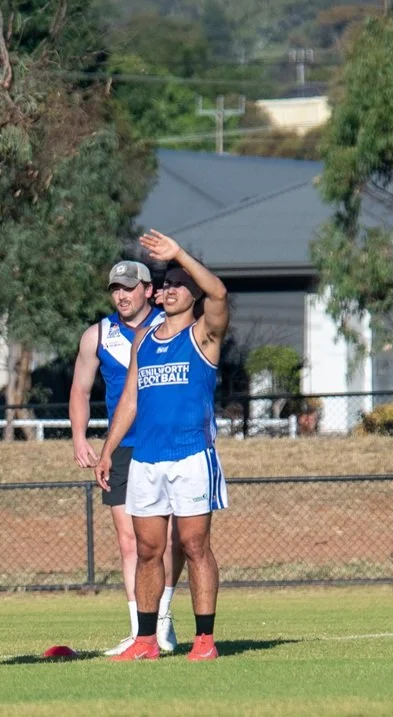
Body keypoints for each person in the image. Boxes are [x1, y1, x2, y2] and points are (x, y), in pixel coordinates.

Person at [94, 229, 230, 662]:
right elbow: (130, 400)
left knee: (194, 546)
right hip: (146, 459)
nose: (170, 290)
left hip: (191, 455)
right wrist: (108, 449)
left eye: (179, 284)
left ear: (193, 294)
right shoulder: (144, 340)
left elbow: (219, 292)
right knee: (148, 551)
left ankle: (204, 640)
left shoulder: (204, 335)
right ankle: (146, 640)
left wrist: (180, 255)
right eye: (166, 283)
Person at [69, 260, 185, 655]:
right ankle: (141, 631)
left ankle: (162, 615)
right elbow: (80, 389)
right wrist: (79, 437)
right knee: (130, 541)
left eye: (129, 287)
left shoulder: (171, 326)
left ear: (149, 290)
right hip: (122, 447)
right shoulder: (97, 335)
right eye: (116, 288)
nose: (121, 295)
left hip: (169, 443)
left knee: (171, 539)